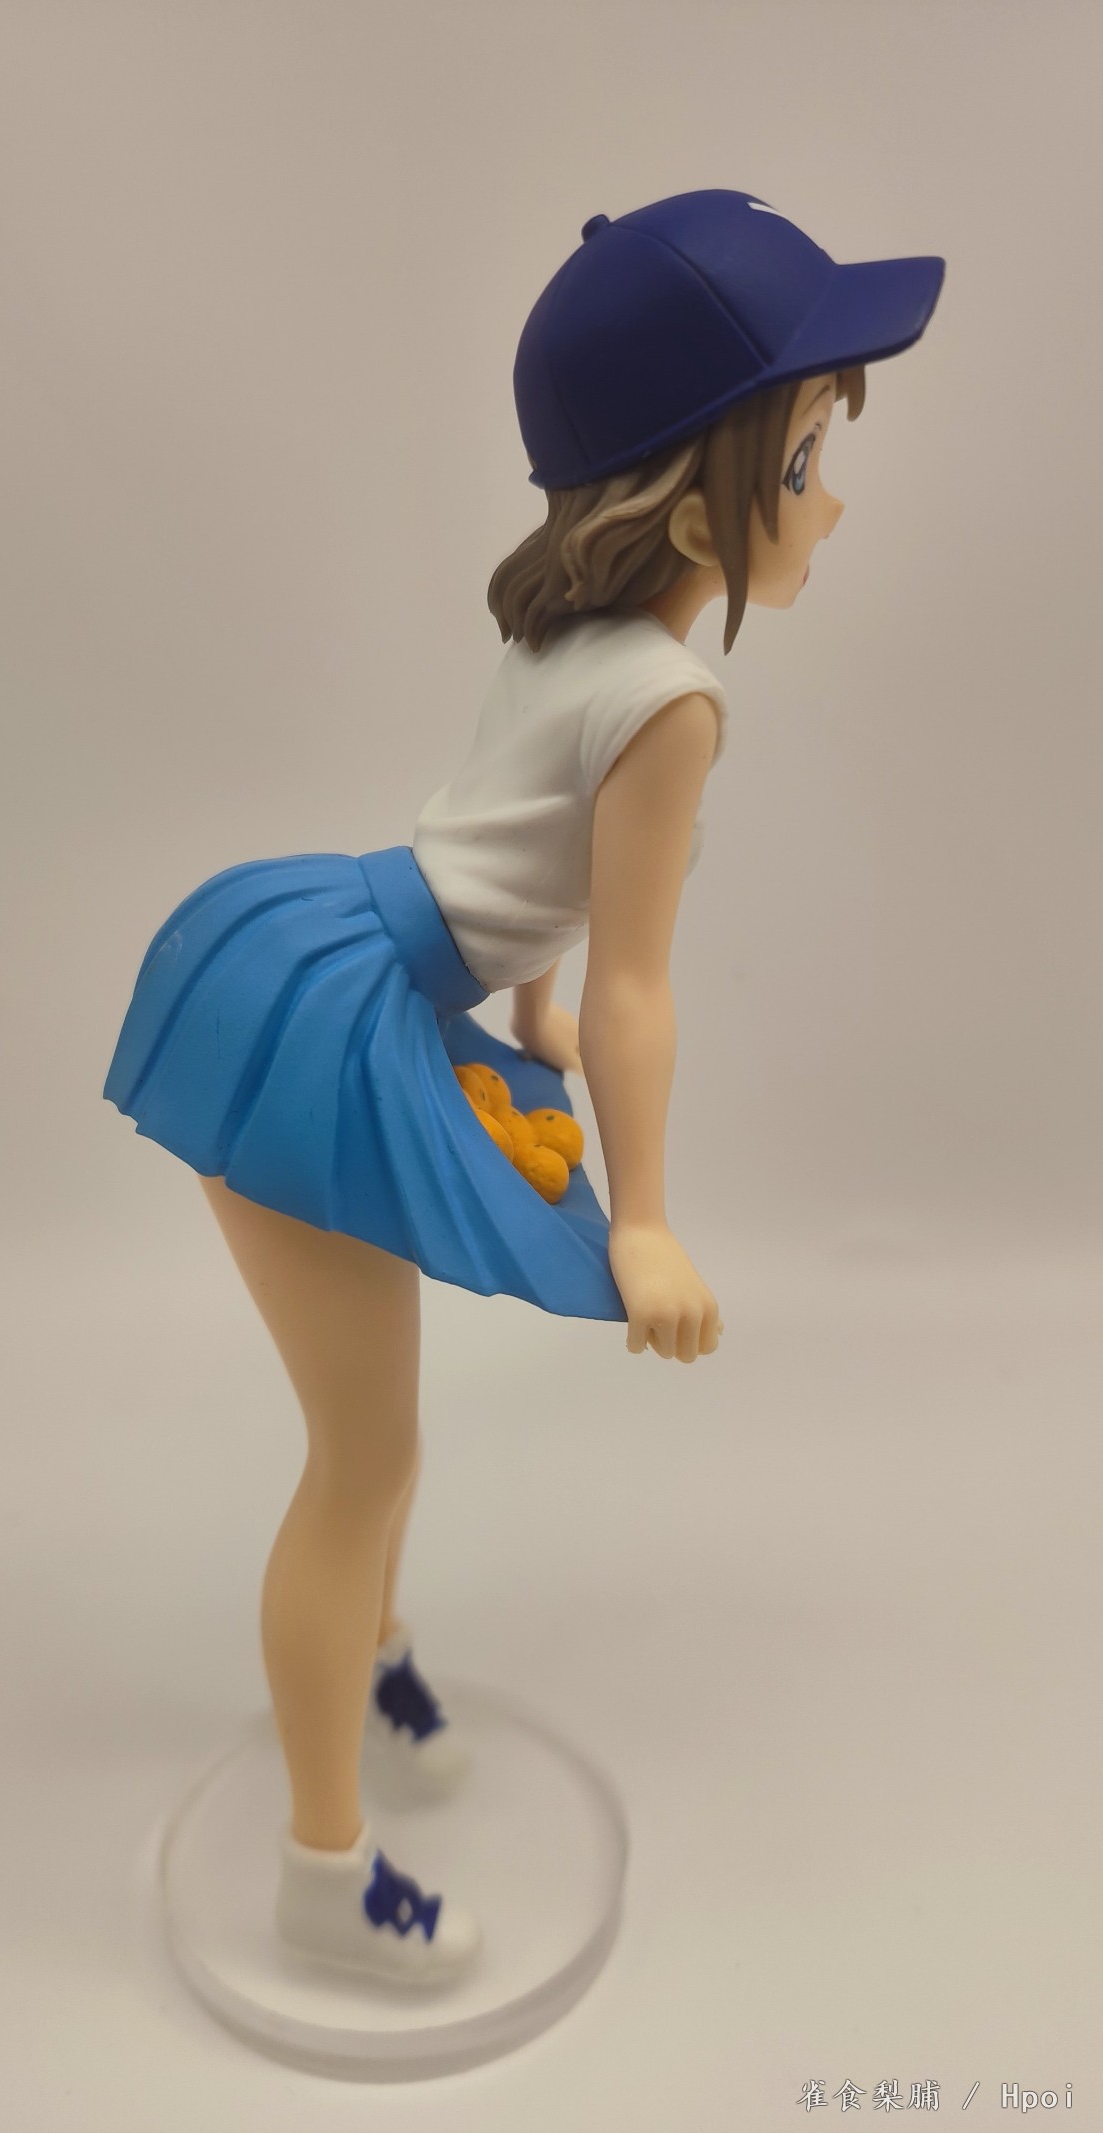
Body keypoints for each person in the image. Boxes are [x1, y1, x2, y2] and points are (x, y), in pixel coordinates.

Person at [104, 189, 945, 1985]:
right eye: (806, 460)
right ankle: (322, 1871)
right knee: (364, 1452)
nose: (833, 501)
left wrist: (529, 1009)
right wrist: (644, 1217)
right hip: (331, 1014)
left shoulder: (572, 638)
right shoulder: (669, 698)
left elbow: (517, 855)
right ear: (700, 501)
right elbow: (639, 976)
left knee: (377, 1437)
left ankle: (373, 1649)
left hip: (339, 955)